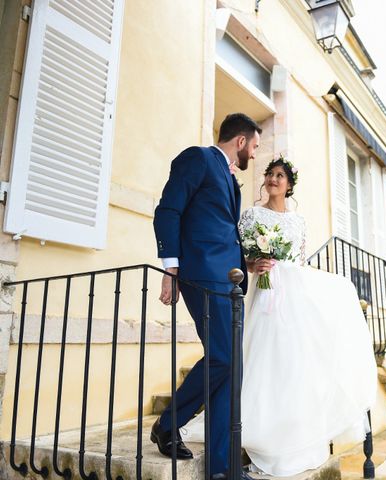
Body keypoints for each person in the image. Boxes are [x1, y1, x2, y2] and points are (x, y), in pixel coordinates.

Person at [180, 157, 378, 477]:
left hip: (291, 295)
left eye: (280, 176)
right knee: (258, 357)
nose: (273, 179)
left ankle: (293, 434)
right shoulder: (252, 216)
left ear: (289, 184)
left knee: (293, 364)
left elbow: (299, 260)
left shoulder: (299, 221)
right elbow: (238, 260)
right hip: (262, 293)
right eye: (270, 175)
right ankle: (253, 425)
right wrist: (254, 263)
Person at [152, 113, 264, 480]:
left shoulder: (232, 180)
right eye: (255, 146)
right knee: (223, 360)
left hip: (230, 283)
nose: (255, 155)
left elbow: (220, 230)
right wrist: (172, 269)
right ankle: (168, 424)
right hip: (203, 277)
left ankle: (223, 468)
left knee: (232, 368)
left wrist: (248, 263)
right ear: (242, 141)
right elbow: (168, 210)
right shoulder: (198, 158)